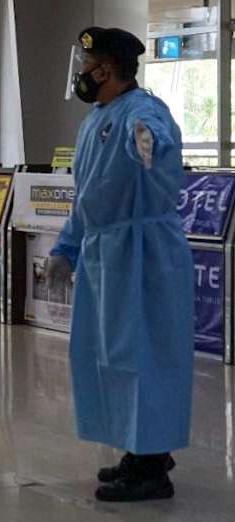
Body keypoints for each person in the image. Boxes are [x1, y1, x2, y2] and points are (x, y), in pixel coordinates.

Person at [48, 27, 193, 502]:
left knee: (144, 353)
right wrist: (66, 248)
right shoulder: (96, 118)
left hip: (143, 254)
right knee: (107, 354)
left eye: (86, 68)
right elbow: (88, 196)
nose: (80, 77)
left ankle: (153, 467)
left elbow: (155, 144)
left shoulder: (143, 111)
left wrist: (147, 144)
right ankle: (140, 446)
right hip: (105, 252)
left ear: (106, 70)